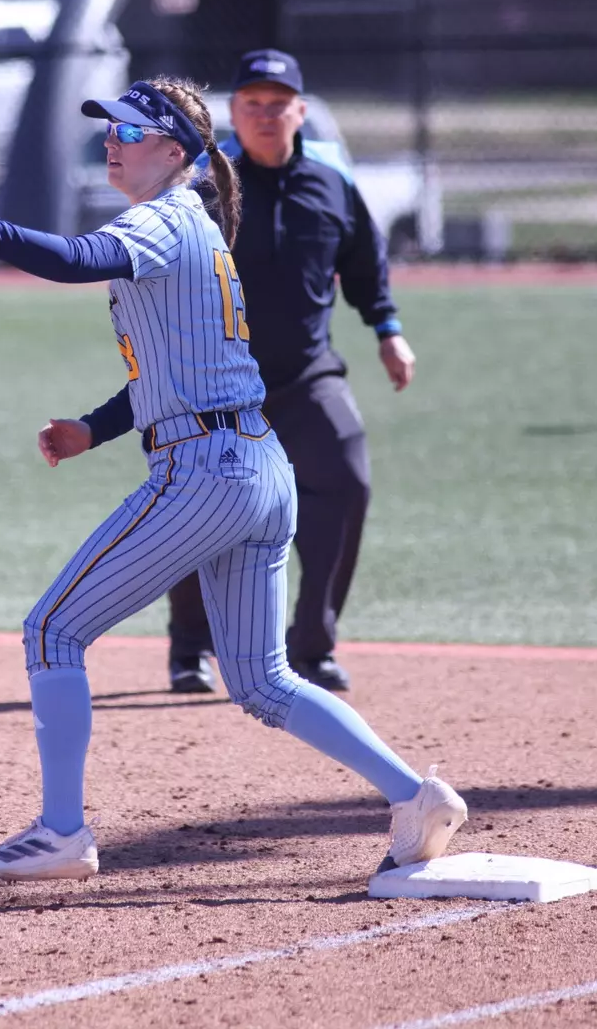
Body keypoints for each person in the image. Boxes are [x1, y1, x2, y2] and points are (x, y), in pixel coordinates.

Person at [0, 76, 464, 881]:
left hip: (205, 475)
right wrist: (94, 429)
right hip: (255, 465)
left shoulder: (163, 219)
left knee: (53, 632)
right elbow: (180, 370)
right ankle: (415, 794)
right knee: (262, 680)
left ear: (173, 151)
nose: (109, 141)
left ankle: (62, 832)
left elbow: (74, 260)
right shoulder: (195, 225)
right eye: (107, 129)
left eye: (127, 131)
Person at [124, 48, 410, 695]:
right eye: (251, 104)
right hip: (215, 382)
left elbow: (366, 265)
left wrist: (389, 332)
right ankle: (189, 650)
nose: (264, 115)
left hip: (308, 375)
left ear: (300, 112)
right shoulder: (204, 190)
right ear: (233, 113)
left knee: (347, 477)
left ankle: (312, 644)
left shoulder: (331, 184)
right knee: (198, 508)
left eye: (278, 104)